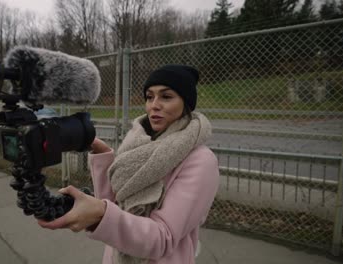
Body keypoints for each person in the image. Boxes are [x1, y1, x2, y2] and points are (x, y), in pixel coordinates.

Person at [38, 64, 220, 264]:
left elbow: (163, 238)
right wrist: (103, 156)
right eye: (149, 97)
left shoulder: (200, 161)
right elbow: (116, 206)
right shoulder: (138, 142)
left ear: (186, 104)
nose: (154, 105)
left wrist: (100, 214)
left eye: (166, 97)